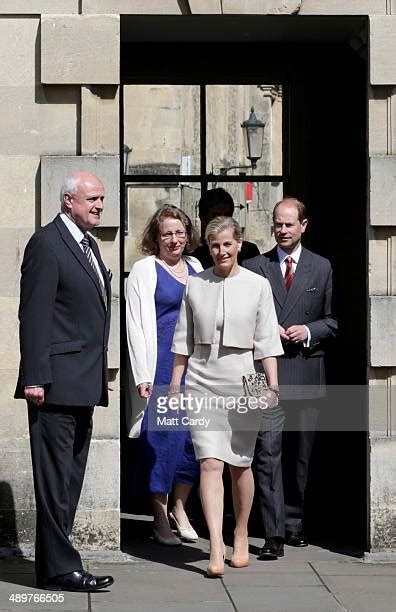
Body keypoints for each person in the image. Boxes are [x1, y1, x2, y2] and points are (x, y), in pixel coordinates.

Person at [14, 172, 114, 592]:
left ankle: (52, 567)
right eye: (92, 198)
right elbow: (33, 315)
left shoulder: (88, 245)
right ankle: (61, 568)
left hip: (83, 382)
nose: (99, 205)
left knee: (69, 479)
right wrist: (35, 377)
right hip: (54, 385)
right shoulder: (47, 243)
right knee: (56, 480)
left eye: (102, 199)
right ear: (68, 200)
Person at [170, 216, 283, 577]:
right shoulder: (195, 284)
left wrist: (272, 387)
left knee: (240, 464)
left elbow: (267, 341)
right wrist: (175, 384)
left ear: (239, 244)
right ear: (209, 248)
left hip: (245, 380)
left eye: (227, 244)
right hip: (202, 380)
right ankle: (216, 544)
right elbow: (182, 340)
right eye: (215, 245)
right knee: (209, 462)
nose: (221, 251)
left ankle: (240, 531)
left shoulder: (258, 286)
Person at [243, 197, 337, 556]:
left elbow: (333, 321)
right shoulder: (255, 266)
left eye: (288, 224)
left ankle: (294, 522)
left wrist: (308, 331)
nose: (281, 230)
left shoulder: (321, 267)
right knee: (266, 454)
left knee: (300, 455)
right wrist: (268, 332)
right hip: (261, 375)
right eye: (277, 224)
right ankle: (272, 533)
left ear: (303, 226)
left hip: (306, 370)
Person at [126, 206, 202, 546]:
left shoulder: (198, 268)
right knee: (162, 441)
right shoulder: (144, 270)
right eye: (167, 234)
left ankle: (181, 507)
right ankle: (159, 517)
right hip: (159, 367)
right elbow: (135, 327)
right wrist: (141, 374)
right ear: (156, 238)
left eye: (179, 232)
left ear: (188, 235)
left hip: (195, 369)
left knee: (193, 442)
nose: (174, 239)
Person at [192, 187, 260, 269]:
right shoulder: (193, 258)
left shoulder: (248, 252)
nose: (222, 220)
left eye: (226, 215)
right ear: (202, 217)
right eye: (216, 215)